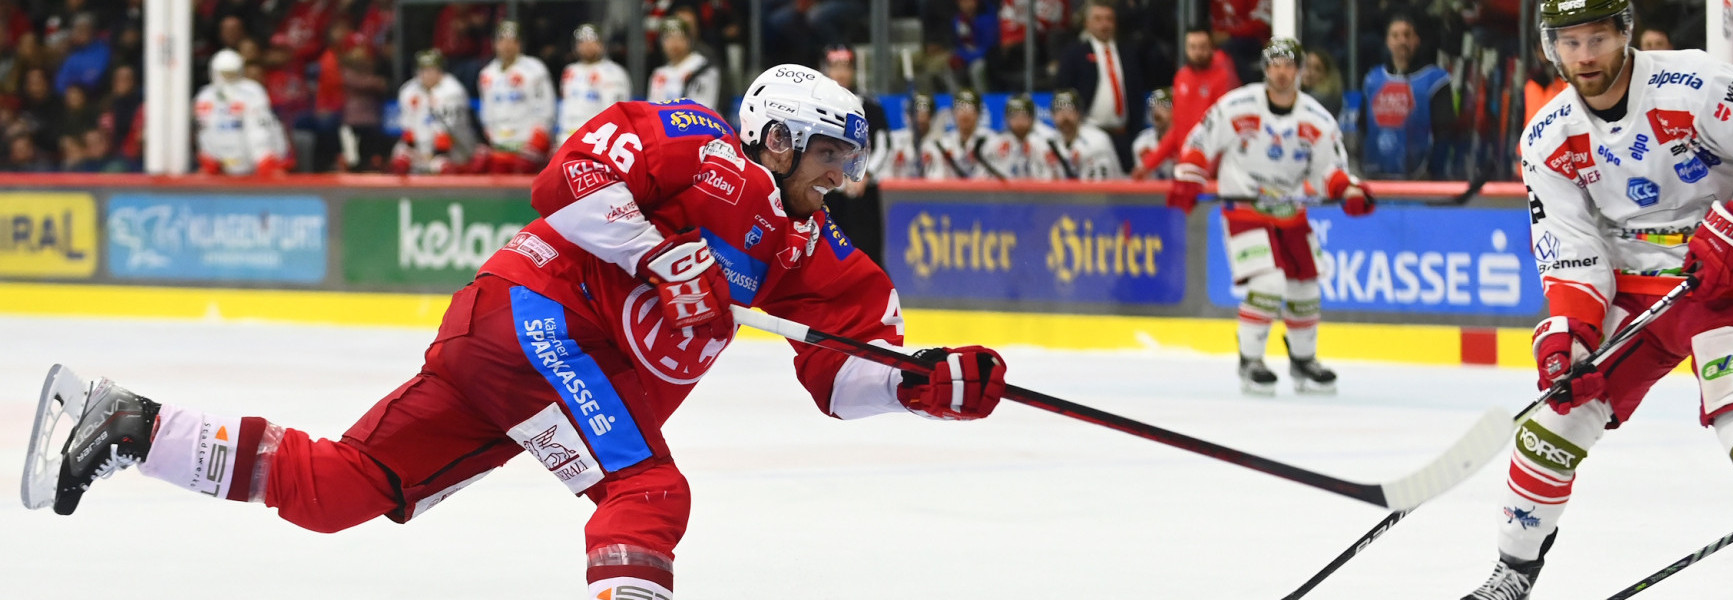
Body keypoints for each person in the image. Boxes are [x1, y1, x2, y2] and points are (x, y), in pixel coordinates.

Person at [30, 63, 1011, 599]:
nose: (840, 177)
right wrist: (658, 252)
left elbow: (838, 380)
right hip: (530, 321)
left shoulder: (818, 258)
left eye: (850, 159)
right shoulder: (694, 146)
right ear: (779, 135)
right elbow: (563, 184)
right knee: (646, 489)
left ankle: (132, 425)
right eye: (830, 154)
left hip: (521, 374)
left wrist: (921, 385)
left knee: (339, 491)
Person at [1465, 1, 1733, 598]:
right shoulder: (1547, 137)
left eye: (1597, 37)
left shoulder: (1695, 83)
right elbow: (1570, 245)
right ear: (1550, 47)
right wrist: (1572, 332)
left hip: (1732, 279)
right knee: (1550, 427)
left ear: (1624, 33)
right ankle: (1511, 573)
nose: (1585, 56)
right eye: (1570, 42)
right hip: (1632, 289)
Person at [1168, 38, 1375, 396]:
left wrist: (1347, 190)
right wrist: (1190, 175)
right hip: (1245, 207)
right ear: (1265, 69)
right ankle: (1250, 361)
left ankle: (1303, 360)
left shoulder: (1317, 119)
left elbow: (1328, 170)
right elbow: (1200, 141)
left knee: (1306, 288)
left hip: (1290, 210)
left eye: (1289, 65)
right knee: (1267, 284)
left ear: (1299, 70)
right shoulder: (1238, 105)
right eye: (1275, 65)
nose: (1281, 72)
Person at [1131, 26, 1239, 181]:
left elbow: (1223, 129)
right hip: (1188, 167)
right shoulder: (1182, 77)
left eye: (1202, 47)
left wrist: (1206, 170)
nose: (1198, 53)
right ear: (1186, 48)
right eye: (1192, 47)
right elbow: (1178, 130)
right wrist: (1147, 165)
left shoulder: (1224, 77)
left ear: (1211, 47)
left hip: (1213, 171)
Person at [819, 46, 892, 269]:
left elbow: (884, 145)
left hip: (862, 193)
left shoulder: (870, 107)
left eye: (846, 67)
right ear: (826, 70)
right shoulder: (818, 107)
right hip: (830, 192)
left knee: (868, 258)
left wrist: (865, 174)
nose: (841, 73)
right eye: (835, 66)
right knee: (828, 257)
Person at [1361, 13, 1457, 179]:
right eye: (1395, 36)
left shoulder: (1435, 80)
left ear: (1416, 40)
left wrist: (1433, 172)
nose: (1402, 41)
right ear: (1387, 41)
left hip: (1422, 179)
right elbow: (1362, 127)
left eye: (1407, 35)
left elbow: (1444, 132)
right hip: (1377, 176)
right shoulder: (1372, 79)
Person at [1053, 0, 1147, 164]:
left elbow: (1136, 93)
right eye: (1098, 19)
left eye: (1109, 19)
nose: (1104, 24)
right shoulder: (1074, 54)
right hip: (1088, 135)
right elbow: (1064, 92)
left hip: (1123, 135)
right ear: (1087, 23)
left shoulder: (1129, 53)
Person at [193, 49, 289, 176]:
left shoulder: (252, 92)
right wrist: (209, 160)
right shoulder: (205, 96)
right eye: (225, 73)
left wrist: (265, 161)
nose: (228, 78)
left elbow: (259, 130)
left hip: (254, 164)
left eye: (232, 73)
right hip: (219, 166)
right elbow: (203, 132)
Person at [477, 20, 556, 174]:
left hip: (527, 149)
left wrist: (537, 144)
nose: (506, 45)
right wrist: (491, 140)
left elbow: (546, 109)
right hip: (500, 148)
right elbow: (487, 113)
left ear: (519, 44)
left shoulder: (535, 69)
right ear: (495, 44)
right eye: (502, 40)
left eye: (512, 41)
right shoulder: (487, 73)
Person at [390, 49, 479, 175]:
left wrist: (434, 155)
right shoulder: (408, 91)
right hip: (419, 147)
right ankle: (403, 194)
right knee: (399, 159)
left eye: (432, 70)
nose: (427, 74)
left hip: (451, 148)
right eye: (423, 70)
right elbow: (407, 127)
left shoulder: (453, 91)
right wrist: (414, 150)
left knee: (443, 166)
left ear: (440, 71)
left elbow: (451, 130)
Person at [557, 24, 631, 142]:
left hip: (596, 141)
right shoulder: (569, 71)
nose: (587, 46)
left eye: (593, 41)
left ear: (602, 44)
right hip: (566, 138)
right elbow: (564, 109)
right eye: (582, 42)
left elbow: (615, 114)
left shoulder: (614, 72)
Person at [920, 88, 996, 180]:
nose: (965, 113)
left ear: (978, 113)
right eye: (960, 108)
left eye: (970, 108)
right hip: (950, 192)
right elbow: (935, 179)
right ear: (953, 112)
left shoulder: (991, 141)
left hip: (984, 192)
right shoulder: (942, 144)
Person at [645, 17, 720, 111]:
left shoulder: (703, 68)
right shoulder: (659, 73)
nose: (674, 43)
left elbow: (703, 107)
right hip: (666, 123)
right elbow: (653, 108)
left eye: (679, 38)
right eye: (668, 38)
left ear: (689, 41)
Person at [1047, 89, 1123, 180]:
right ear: (1052, 115)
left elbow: (1102, 185)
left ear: (1079, 113)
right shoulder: (1050, 142)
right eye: (1059, 110)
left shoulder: (1097, 140)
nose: (1064, 116)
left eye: (1069, 110)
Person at [981, 93, 1060, 179]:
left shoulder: (1045, 143)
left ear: (1032, 118)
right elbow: (984, 176)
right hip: (1003, 190)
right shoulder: (994, 143)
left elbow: (1055, 176)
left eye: (1024, 115)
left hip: (1038, 189)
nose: (1019, 120)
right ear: (1006, 118)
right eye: (1014, 115)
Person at [876, 92, 934, 180]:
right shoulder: (893, 140)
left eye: (924, 115)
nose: (920, 119)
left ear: (931, 117)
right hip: (900, 190)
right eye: (916, 114)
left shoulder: (940, 144)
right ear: (908, 116)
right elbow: (884, 175)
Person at [1132, 87, 1174, 180]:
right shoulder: (1143, 142)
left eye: (1165, 106)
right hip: (1152, 193)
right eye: (1155, 105)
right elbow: (1142, 180)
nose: (1157, 112)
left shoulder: (1189, 140)